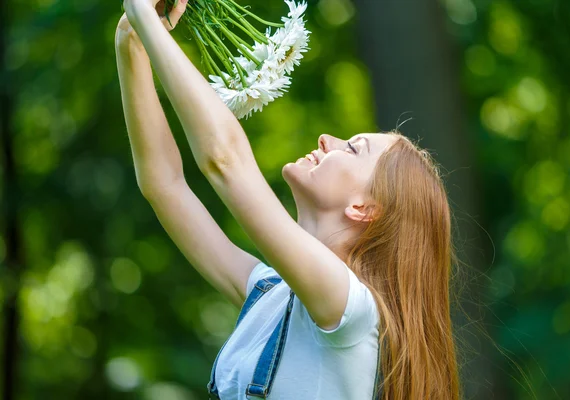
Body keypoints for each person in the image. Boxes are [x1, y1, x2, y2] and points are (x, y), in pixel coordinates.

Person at [115, 0, 461, 398]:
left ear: (364, 209)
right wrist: (132, 40)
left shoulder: (350, 307)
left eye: (351, 148)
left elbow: (225, 162)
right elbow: (165, 186)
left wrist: (146, 17)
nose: (326, 140)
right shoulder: (269, 292)